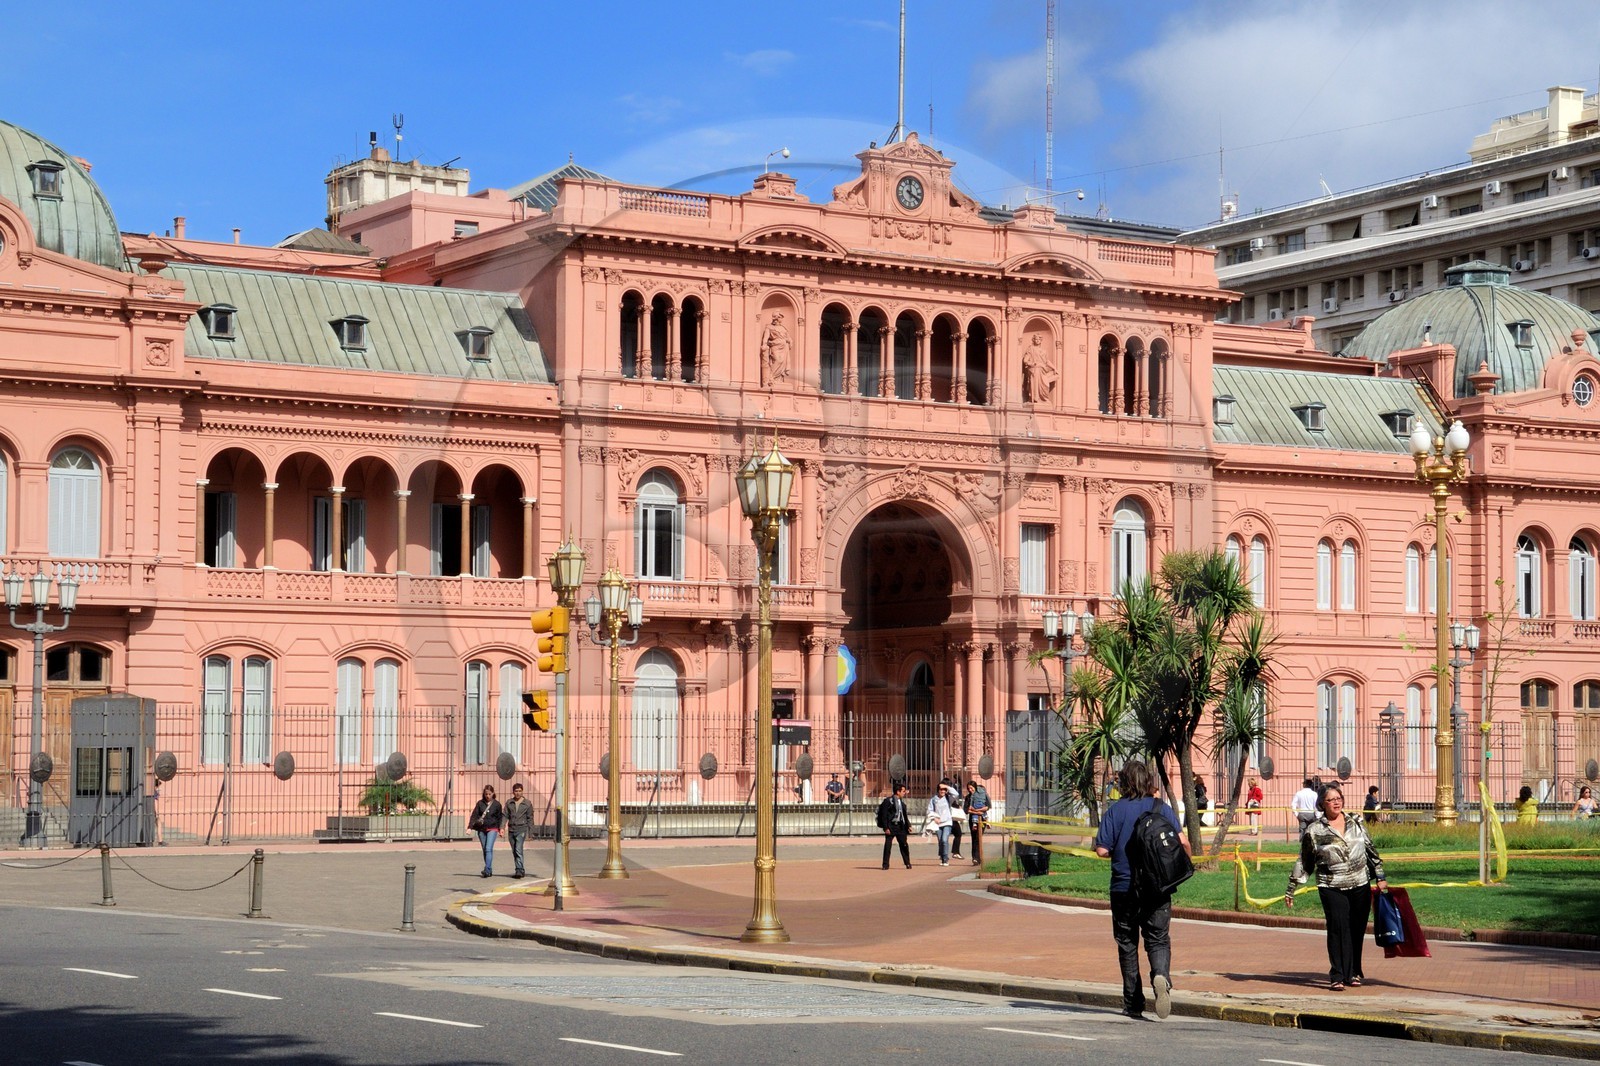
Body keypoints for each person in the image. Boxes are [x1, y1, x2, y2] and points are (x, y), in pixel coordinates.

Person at [1094, 759, 1186, 1020]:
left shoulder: (1115, 810)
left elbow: (1102, 849)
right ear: (1148, 781)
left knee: (1127, 943)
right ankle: (1160, 975)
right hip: (1157, 886)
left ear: (1123, 783)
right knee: (1157, 939)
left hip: (1123, 887)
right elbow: (1182, 842)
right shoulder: (1161, 808)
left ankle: (1133, 1002)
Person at [1285, 782, 1388, 991]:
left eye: (1338, 798)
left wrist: (1380, 875)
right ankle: (1338, 974)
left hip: (1360, 882)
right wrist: (1291, 887)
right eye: (1331, 800)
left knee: (1357, 929)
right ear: (1322, 804)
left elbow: (1370, 849)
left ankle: (1354, 972)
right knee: (1338, 928)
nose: (1336, 802)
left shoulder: (1356, 821)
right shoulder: (1315, 830)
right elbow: (1304, 861)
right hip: (1331, 884)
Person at [468, 784, 504, 878]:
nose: (487, 796)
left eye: (489, 794)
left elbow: (500, 817)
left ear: (493, 793)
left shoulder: (497, 804)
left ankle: (487, 870)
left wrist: (501, 829)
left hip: (493, 828)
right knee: (485, 849)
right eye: (486, 794)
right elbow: (474, 815)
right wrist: (469, 827)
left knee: (488, 848)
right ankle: (489, 868)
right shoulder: (480, 803)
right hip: (482, 829)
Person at [876, 781, 912, 869]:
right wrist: (886, 828)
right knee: (888, 846)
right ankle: (885, 865)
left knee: (904, 844)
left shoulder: (902, 803)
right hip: (891, 826)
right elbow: (884, 815)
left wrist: (908, 826)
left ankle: (907, 862)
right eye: (903, 791)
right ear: (898, 792)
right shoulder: (888, 801)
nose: (904, 793)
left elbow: (904, 815)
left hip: (900, 826)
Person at [503, 782, 534, 879]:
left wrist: (530, 832)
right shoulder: (509, 802)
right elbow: (505, 815)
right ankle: (520, 869)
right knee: (514, 851)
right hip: (512, 829)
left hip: (522, 828)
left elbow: (530, 818)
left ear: (522, 791)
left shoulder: (527, 803)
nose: (518, 793)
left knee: (518, 849)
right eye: (516, 791)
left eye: (520, 791)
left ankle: (519, 870)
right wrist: (502, 827)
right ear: (513, 792)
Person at [1021, 333, 1058, 403]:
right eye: (1036, 339)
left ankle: (1043, 398)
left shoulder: (1044, 351)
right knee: (1036, 379)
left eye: (1039, 339)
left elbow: (1047, 361)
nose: (1037, 340)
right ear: (1033, 340)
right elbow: (1025, 360)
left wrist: (1054, 368)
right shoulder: (1031, 349)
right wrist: (1033, 364)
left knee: (1045, 384)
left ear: (1041, 341)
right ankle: (1035, 397)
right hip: (1034, 369)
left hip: (1043, 370)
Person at [760, 312, 791, 386]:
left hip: (784, 348)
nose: (779, 319)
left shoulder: (783, 328)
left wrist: (789, 340)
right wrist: (764, 344)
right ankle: (771, 377)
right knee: (777, 360)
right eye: (778, 317)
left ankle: (778, 379)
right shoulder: (769, 327)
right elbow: (766, 338)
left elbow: (788, 337)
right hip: (775, 346)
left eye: (780, 318)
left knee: (783, 362)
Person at [926, 782, 954, 866]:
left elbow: (956, 793)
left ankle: (945, 859)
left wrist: (946, 786)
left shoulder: (948, 798)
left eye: (944, 790)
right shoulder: (934, 799)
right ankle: (942, 857)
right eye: (941, 789)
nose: (942, 791)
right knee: (940, 841)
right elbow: (929, 810)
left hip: (947, 822)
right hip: (937, 823)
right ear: (938, 790)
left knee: (944, 840)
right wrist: (934, 818)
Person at [965, 779, 991, 866]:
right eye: (969, 788)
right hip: (973, 820)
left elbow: (988, 806)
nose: (970, 790)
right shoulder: (968, 797)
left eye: (971, 788)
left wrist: (979, 811)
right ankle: (975, 858)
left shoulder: (982, 795)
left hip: (982, 819)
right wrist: (976, 812)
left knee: (978, 838)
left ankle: (978, 858)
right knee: (974, 838)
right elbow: (966, 810)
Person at [943, 779, 965, 860]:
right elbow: (955, 794)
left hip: (950, 819)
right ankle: (953, 853)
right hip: (948, 819)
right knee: (955, 834)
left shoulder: (945, 796)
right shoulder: (944, 797)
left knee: (945, 837)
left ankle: (945, 853)